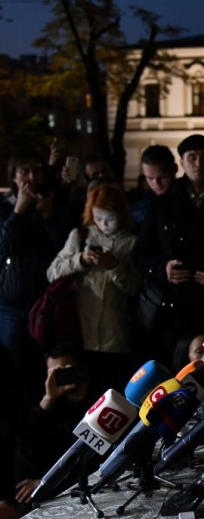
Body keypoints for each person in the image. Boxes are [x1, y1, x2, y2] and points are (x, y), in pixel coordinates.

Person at [136, 134, 204, 367]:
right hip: (174, 310)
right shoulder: (162, 204)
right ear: (182, 162)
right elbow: (142, 253)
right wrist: (163, 268)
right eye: (192, 157)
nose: (198, 164)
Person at [47, 184, 139, 394]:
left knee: (113, 390)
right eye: (98, 218)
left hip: (117, 334)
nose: (104, 225)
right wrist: (80, 260)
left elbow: (134, 288)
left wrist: (114, 266)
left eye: (110, 218)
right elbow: (52, 272)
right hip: (79, 330)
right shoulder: (80, 236)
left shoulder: (131, 243)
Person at [0, 153, 73, 411]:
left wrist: (49, 216)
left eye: (36, 170)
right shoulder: (5, 206)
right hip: (13, 303)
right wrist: (18, 212)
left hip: (48, 301)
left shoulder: (54, 203)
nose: (31, 177)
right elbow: (4, 247)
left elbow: (63, 247)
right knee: (16, 363)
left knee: (52, 363)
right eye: (24, 171)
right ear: (14, 176)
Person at [14, 342, 96, 509]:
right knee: (23, 445)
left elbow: (94, 453)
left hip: (80, 474)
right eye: (55, 372)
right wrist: (49, 399)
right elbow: (25, 437)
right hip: (48, 473)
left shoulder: (99, 398)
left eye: (67, 369)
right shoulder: (52, 400)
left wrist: (46, 482)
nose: (63, 375)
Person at [130, 145, 178, 230]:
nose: (156, 184)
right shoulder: (138, 210)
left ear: (174, 169)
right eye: (150, 178)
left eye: (162, 177)